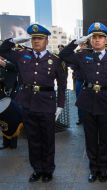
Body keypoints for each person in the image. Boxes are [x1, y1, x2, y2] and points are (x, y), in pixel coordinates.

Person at [0, 24, 67, 183]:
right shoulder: (22, 55)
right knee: (33, 139)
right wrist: (15, 40)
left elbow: (63, 85)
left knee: (48, 140)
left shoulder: (55, 60)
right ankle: (37, 170)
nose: (36, 41)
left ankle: (48, 170)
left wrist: (60, 105)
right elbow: (2, 51)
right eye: (34, 38)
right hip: (28, 103)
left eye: (40, 38)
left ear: (46, 40)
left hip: (47, 105)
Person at [59, 22, 107, 183]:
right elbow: (63, 55)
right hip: (88, 102)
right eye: (94, 37)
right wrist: (77, 42)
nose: (97, 40)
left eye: (100, 37)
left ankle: (103, 169)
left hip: (106, 103)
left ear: (105, 39)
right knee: (91, 139)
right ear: (90, 39)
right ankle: (93, 169)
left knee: (105, 139)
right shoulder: (82, 55)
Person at [0, 56, 20, 149]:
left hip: (12, 95)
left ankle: (13, 143)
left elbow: (12, 67)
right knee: (3, 119)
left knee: (13, 119)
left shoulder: (12, 62)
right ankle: (5, 142)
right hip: (2, 95)